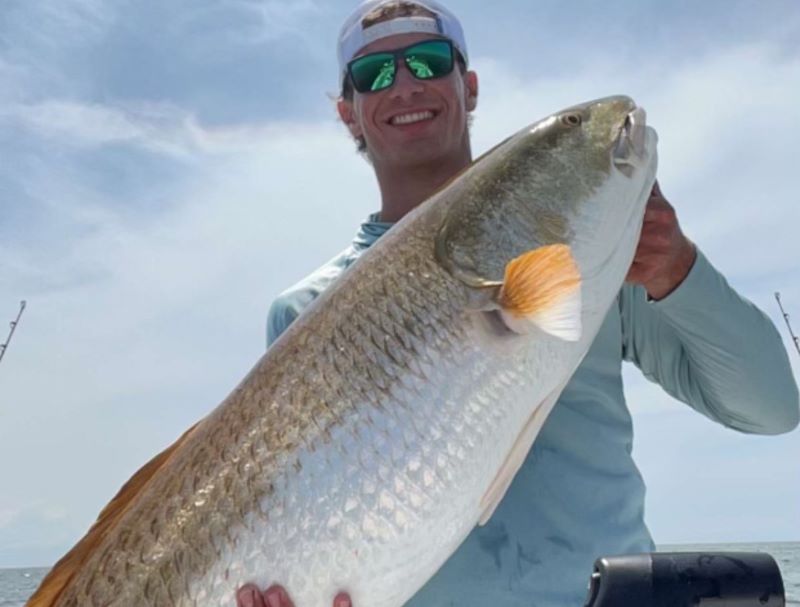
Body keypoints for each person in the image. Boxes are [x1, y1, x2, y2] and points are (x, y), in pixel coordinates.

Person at [237, 1, 800, 606]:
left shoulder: (599, 254)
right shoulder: (305, 310)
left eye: (428, 62)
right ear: (348, 113)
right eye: (374, 73)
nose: (404, 85)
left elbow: (770, 408)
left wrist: (678, 267)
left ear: (469, 87)